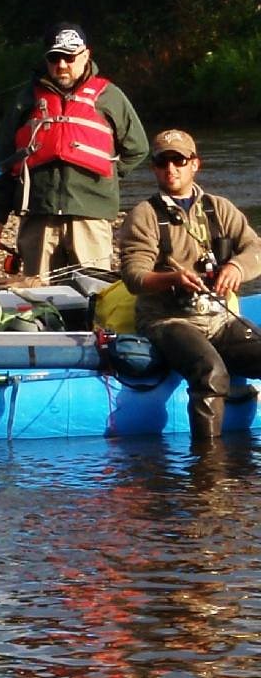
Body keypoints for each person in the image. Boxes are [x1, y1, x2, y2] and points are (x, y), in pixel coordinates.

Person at [117, 128, 261, 442]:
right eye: (163, 161)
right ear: (154, 167)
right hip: (167, 320)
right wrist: (172, 279)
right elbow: (134, 277)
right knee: (211, 373)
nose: (171, 168)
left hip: (219, 319)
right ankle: (207, 469)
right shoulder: (143, 216)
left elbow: (256, 249)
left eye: (179, 160)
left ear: (195, 164)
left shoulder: (220, 208)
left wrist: (237, 266)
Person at [0, 23, 149, 279]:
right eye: (54, 57)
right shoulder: (26, 100)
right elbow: (4, 160)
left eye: (69, 57)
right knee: (39, 297)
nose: (61, 65)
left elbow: (138, 148)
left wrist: (108, 178)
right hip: (38, 215)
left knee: (95, 294)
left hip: (90, 217)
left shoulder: (111, 97)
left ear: (85, 55)